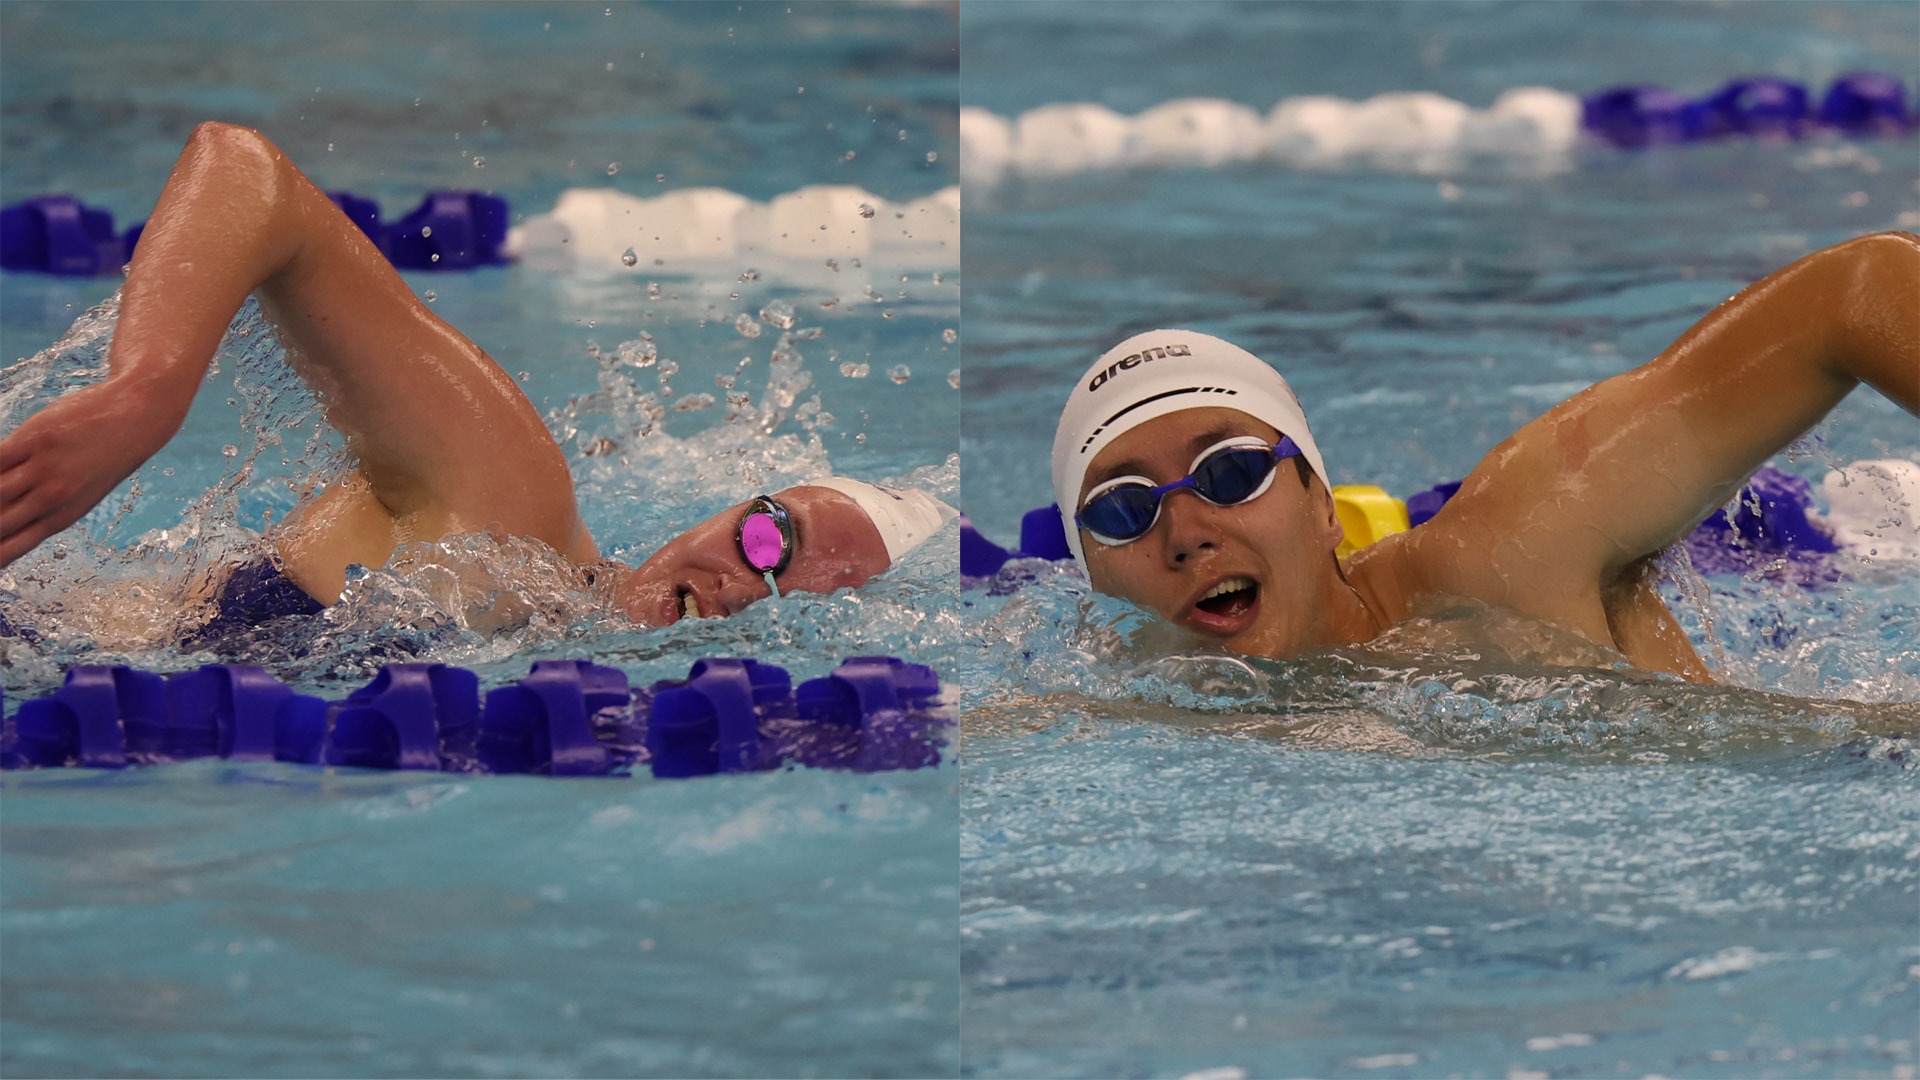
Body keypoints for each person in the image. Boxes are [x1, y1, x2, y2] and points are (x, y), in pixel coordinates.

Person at [0, 122, 952, 640]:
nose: (752, 589)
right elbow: (249, 176)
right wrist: (147, 393)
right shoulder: (512, 505)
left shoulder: (552, 663)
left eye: (814, 602)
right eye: (768, 537)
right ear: (730, 510)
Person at [1052, 232, 1918, 681]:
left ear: (1324, 509)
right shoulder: (1128, 713)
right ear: (1095, 578)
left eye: (1231, 470)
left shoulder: (1501, 562)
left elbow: (1852, 294)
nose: (1187, 532)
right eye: (1122, 508)